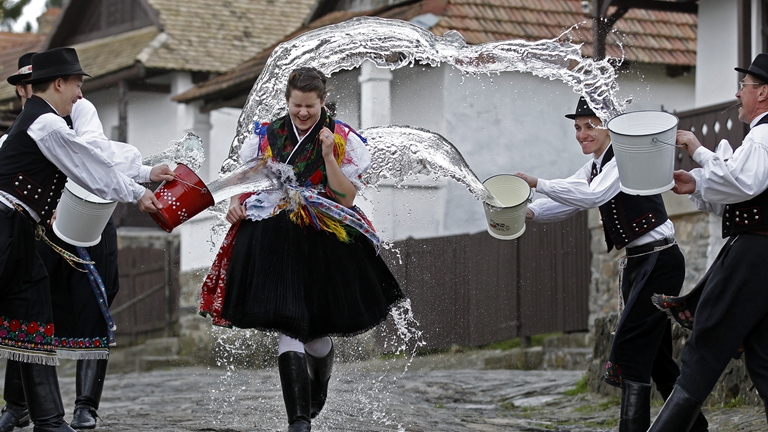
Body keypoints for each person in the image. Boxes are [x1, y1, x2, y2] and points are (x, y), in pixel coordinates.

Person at [199, 67, 405, 432]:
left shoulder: (342, 139)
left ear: (322, 102)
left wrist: (327, 156)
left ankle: (319, 383)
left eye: (310, 106)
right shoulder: (266, 136)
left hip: (325, 237)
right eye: (297, 106)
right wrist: (239, 203)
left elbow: (346, 195)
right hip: (275, 238)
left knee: (315, 330)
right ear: (287, 101)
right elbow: (250, 183)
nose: (303, 113)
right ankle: (299, 421)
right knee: (289, 322)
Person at [0, 51, 175, 431]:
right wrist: (137, 192)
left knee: (32, 320)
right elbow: (86, 165)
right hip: (4, 226)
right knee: (31, 317)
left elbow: (94, 154)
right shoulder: (45, 123)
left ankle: (48, 421)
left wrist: (142, 173)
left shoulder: (50, 121)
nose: (81, 94)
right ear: (59, 83)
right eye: (77, 84)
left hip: (22, 231)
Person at [514, 97, 707, 432]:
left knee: (630, 347)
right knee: (657, 358)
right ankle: (697, 429)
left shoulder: (623, 158)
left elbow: (591, 197)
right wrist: (526, 210)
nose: (582, 133)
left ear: (608, 127)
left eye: (590, 125)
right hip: (639, 262)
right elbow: (570, 199)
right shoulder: (593, 167)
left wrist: (536, 183)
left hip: (659, 259)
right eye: (577, 127)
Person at [647, 54, 768, 431]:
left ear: (763, 92)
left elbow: (742, 183)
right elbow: (742, 190)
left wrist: (698, 149)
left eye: (744, 87)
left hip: (755, 254)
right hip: (758, 252)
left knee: (708, 337)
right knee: (764, 356)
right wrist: (696, 183)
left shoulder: (765, 134)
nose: (737, 94)